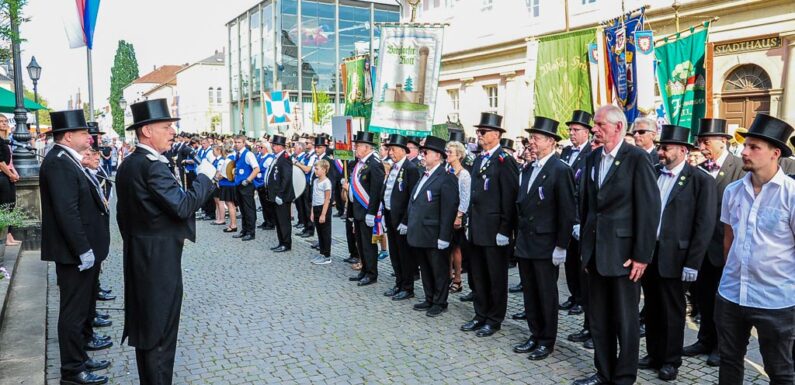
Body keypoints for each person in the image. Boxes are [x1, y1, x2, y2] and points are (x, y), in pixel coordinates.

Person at [116, 99, 217, 384]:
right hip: (158, 262)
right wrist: (204, 178)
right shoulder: (152, 167)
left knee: (148, 331)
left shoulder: (129, 164)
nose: (173, 132)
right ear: (147, 130)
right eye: (166, 126)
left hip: (140, 255)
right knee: (160, 334)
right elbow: (182, 206)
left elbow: (123, 217)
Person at [574, 105, 660, 385]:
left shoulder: (636, 158)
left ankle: (624, 377)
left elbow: (649, 210)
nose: (595, 129)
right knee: (599, 320)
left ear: (619, 127)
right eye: (595, 124)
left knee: (625, 321)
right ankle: (604, 372)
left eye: (600, 124)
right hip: (596, 254)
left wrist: (641, 256)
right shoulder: (592, 157)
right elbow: (588, 207)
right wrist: (586, 250)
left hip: (624, 257)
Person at [716, 114, 795, 385]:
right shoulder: (733, 191)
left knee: (780, 371)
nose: (744, 152)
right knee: (728, 361)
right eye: (745, 146)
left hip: (776, 300)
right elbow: (729, 239)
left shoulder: (791, 194)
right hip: (731, 294)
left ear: (775, 153)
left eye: (753, 147)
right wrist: (729, 275)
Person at [640, 125, 717, 381]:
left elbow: (704, 225)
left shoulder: (700, 180)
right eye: (660, 147)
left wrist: (693, 262)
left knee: (672, 311)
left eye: (666, 148)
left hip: (677, 257)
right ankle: (654, 354)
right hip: (650, 253)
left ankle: (671, 360)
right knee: (651, 307)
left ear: (683, 150)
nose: (661, 152)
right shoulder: (653, 173)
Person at [41, 110, 111, 385]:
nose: (90, 138)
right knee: (73, 312)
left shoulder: (69, 159)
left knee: (82, 309)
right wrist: (83, 249)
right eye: (84, 134)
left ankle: (80, 356)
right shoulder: (59, 162)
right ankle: (72, 371)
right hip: (73, 254)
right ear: (68, 136)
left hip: (80, 250)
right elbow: (67, 212)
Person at [511, 116, 576, 361]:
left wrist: (561, 245)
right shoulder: (529, 168)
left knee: (546, 293)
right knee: (530, 292)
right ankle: (535, 333)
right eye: (531, 137)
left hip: (545, 243)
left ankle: (547, 340)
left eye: (536, 138)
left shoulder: (560, 169)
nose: (532, 142)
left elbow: (566, 211)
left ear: (550, 141)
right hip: (526, 241)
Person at [686, 118, 745, 367]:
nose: (702, 147)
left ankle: (723, 346)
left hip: (727, 246)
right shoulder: (699, 169)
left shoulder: (740, 168)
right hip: (703, 248)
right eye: (700, 142)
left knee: (726, 303)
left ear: (723, 141)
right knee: (704, 297)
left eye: (706, 142)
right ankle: (705, 339)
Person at [460, 112, 519, 338]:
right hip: (477, 228)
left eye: (483, 132)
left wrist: (505, 229)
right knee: (478, 275)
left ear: (496, 135)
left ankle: (494, 319)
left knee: (495, 277)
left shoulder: (505, 161)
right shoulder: (479, 159)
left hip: (494, 231)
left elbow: (510, 198)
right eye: (478, 131)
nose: (479, 135)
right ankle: (480, 313)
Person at [407, 135, 459, 317]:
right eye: (422, 152)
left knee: (439, 269)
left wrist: (444, 236)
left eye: (425, 152)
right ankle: (429, 297)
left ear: (438, 156)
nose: (422, 155)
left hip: (435, 233)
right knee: (426, 268)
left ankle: (440, 301)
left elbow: (449, 209)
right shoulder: (425, 174)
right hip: (421, 232)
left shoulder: (446, 177)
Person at [559, 110, 593, 318]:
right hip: (566, 213)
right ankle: (573, 294)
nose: (571, 133)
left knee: (580, 261)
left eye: (576, 130)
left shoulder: (591, 152)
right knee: (569, 260)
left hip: (580, 214)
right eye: (570, 129)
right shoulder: (565, 152)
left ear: (586, 132)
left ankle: (582, 298)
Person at [380, 134, 421, 300]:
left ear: (404, 151)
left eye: (394, 149)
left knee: (405, 255)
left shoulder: (410, 169)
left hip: (402, 218)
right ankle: (399, 282)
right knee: (395, 253)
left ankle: (407, 287)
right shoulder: (393, 167)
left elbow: (412, 197)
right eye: (389, 149)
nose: (391, 152)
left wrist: (406, 220)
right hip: (390, 215)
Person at [347, 131, 385, 286]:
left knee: (369, 245)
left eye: (358, 146)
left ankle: (371, 273)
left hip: (367, 211)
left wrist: (372, 213)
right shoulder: (361, 163)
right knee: (361, 243)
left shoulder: (374, 164)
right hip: (358, 210)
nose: (355, 148)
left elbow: (376, 191)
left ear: (367, 147)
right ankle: (364, 270)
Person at [444, 140, 471, 295]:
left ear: (459, 155)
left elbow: (465, 198)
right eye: (447, 151)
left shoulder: (464, 174)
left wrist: (459, 216)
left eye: (450, 152)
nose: (447, 154)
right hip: (446, 214)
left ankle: (458, 279)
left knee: (456, 248)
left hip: (457, 215)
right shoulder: (446, 170)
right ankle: (448, 276)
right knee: (446, 247)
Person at [265, 135, 295, 252]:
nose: (273, 147)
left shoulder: (285, 158)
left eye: (275, 145)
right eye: (273, 145)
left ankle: (286, 244)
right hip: (275, 195)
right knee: (278, 220)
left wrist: (280, 195)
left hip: (282, 196)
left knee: (283, 221)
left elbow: (286, 178)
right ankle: (281, 242)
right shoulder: (277, 157)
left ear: (281, 146)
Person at [232, 135, 260, 241]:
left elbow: (256, 169)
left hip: (246, 185)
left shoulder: (248, 154)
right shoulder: (237, 154)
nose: (236, 144)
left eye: (239, 142)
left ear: (244, 143)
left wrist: (248, 180)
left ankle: (251, 232)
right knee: (243, 209)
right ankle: (244, 230)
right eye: (235, 142)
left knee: (249, 209)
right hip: (239, 184)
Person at [0, 114, 20, 246]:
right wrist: (10, 175)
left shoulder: (6, 140)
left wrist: (15, 173)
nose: (4, 123)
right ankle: (4, 237)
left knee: (11, 204)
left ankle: (9, 235)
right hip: (2, 176)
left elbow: (10, 162)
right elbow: (0, 162)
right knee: (5, 206)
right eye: (0, 121)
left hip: (7, 175)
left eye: (5, 121)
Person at [310, 159, 333, 265]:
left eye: (317, 169)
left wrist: (323, 214)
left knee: (325, 233)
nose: (315, 170)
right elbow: (314, 197)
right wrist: (312, 212)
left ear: (324, 170)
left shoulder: (326, 182)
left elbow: (327, 199)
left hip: (324, 208)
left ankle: (327, 256)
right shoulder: (315, 181)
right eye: (315, 168)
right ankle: (322, 253)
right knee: (319, 232)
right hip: (316, 208)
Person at [255, 141, 276, 230]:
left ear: (266, 149)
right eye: (259, 147)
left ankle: (271, 222)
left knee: (268, 204)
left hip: (264, 184)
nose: (259, 149)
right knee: (263, 204)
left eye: (261, 147)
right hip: (258, 183)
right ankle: (266, 220)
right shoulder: (259, 156)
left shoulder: (269, 158)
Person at [218, 146, 239, 232]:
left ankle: (233, 224)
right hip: (232, 184)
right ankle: (232, 224)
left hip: (227, 184)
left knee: (230, 204)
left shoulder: (227, 160)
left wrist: (217, 177)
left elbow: (222, 175)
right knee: (231, 204)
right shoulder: (234, 157)